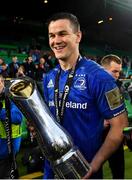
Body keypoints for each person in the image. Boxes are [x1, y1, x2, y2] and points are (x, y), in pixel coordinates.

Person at [28, 12, 128, 179]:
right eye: (52, 35)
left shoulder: (100, 77)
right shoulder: (49, 77)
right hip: (51, 169)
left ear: (78, 36)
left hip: (84, 171)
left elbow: (120, 124)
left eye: (62, 33)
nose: (56, 41)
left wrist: (95, 164)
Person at [100, 54, 125, 179]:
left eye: (119, 72)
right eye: (114, 71)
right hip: (97, 137)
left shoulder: (117, 87)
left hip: (115, 137)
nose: (117, 75)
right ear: (103, 70)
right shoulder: (89, 87)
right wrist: (100, 123)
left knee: (118, 171)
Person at [0, 75, 23, 179]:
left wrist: (1, 112)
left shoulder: (11, 96)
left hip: (9, 143)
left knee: (6, 174)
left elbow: (17, 118)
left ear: (2, 83)